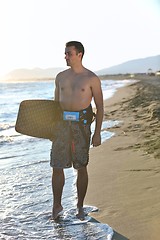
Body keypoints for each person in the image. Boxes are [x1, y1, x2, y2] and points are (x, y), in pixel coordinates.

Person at [50, 41, 104, 220]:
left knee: (81, 166)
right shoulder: (60, 77)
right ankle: (56, 206)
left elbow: (100, 107)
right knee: (57, 165)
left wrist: (97, 133)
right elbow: (55, 105)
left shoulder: (91, 78)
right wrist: (50, 129)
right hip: (61, 126)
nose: (65, 56)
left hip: (82, 126)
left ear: (79, 54)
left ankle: (80, 206)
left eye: (69, 53)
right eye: (65, 53)